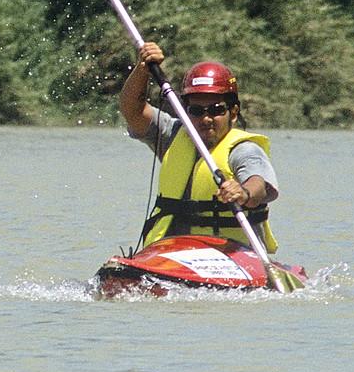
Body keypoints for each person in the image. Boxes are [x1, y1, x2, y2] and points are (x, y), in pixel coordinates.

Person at [118, 40, 280, 253]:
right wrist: (142, 68)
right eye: (196, 111)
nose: (205, 119)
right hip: (171, 252)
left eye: (215, 110)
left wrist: (243, 193)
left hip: (231, 254)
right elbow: (132, 111)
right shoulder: (172, 135)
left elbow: (258, 184)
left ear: (233, 112)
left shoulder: (244, 150)